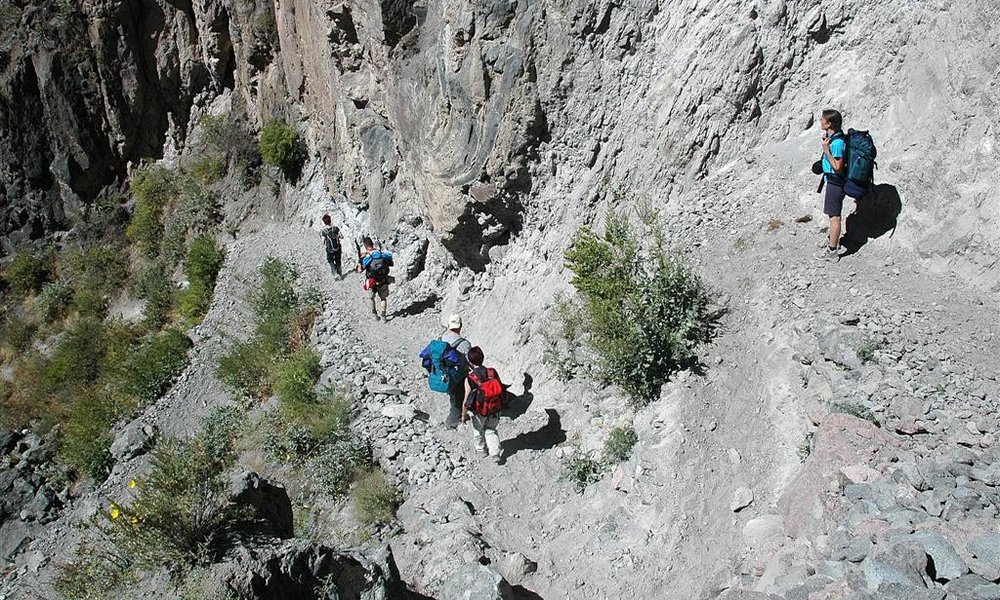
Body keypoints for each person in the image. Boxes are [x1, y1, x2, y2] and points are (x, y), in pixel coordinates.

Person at [814, 108, 847, 262]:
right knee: (832, 215)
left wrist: (826, 151)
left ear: (830, 123)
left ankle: (832, 251)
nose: (820, 120)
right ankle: (832, 242)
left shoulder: (838, 143)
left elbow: (838, 167)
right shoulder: (834, 139)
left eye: (823, 119)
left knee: (834, 217)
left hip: (835, 182)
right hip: (832, 181)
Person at [461, 346, 503, 463]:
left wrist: (464, 415)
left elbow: (465, 400)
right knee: (491, 430)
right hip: (494, 408)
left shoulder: (470, 378)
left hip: (479, 411)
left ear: (470, 362)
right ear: (483, 358)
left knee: (478, 430)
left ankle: (481, 451)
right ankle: (495, 453)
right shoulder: (492, 372)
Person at [440, 314, 471, 428]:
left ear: (448, 325)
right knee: (459, 397)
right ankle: (452, 422)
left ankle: (457, 412)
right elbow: (468, 361)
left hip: (444, 374)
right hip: (458, 376)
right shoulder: (464, 343)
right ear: (461, 326)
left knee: (452, 394)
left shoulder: (442, 338)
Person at [357, 236, 393, 321]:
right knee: (383, 298)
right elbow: (391, 262)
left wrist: (359, 261)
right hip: (383, 280)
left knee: (371, 298)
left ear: (365, 246)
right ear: (372, 244)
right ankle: (384, 317)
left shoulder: (366, 257)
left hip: (371, 281)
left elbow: (359, 271)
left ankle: (375, 315)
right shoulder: (381, 254)